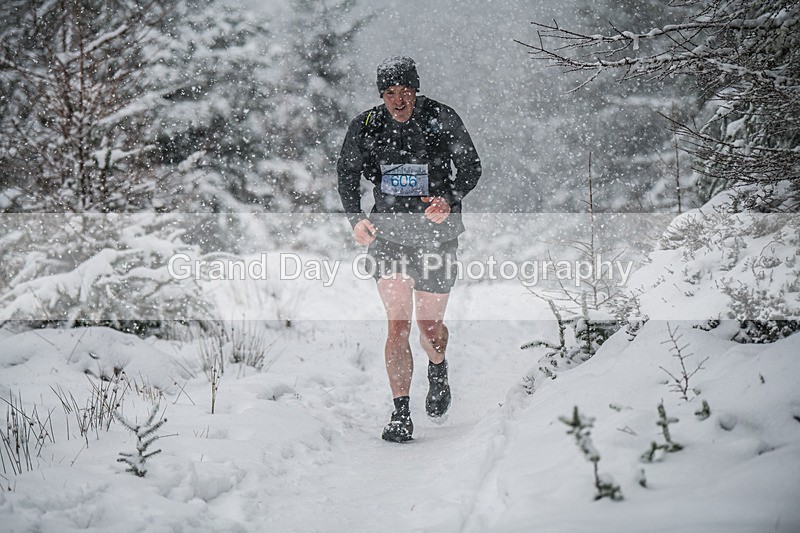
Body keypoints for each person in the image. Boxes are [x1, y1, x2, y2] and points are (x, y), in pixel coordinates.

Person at [337, 56, 482, 442]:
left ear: (416, 90)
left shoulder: (441, 118)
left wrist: (448, 199)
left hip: (437, 234)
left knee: (428, 327)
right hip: (389, 235)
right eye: (389, 94)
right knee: (398, 324)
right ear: (381, 95)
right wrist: (356, 219)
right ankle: (400, 413)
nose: (398, 101)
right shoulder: (367, 126)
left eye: (405, 92)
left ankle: (438, 366)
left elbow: (471, 167)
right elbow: (347, 175)